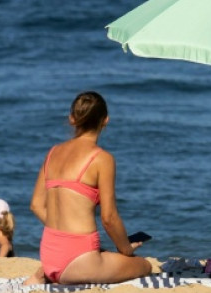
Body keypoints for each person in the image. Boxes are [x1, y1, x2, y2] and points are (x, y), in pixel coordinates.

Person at [24, 91, 151, 285]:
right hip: (80, 259)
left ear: (72, 119)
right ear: (105, 120)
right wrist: (126, 249)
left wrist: (64, 233)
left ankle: (46, 275)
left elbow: (35, 205)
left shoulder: (53, 153)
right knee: (144, 266)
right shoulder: (102, 159)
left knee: (102, 258)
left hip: (49, 254)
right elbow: (109, 218)